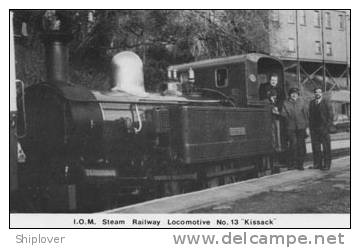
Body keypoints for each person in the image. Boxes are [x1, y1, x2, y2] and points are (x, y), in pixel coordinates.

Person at [280, 87, 309, 170]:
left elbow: (306, 114)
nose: (294, 95)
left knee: (301, 145)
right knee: (293, 144)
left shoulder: (302, 102)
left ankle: (300, 164)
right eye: (292, 93)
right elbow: (283, 114)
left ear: (298, 94)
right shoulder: (285, 103)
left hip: (301, 127)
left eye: (295, 93)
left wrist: (307, 127)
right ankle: (292, 164)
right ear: (289, 95)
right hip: (290, 127)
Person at [309, 87, 333, 170]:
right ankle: (317, 164)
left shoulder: (326, 102)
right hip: (314, 129)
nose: (317, 94)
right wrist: (310, 128)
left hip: (324, 128)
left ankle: (327, 165)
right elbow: (310, 116)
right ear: (314, 94)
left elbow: (330, 116)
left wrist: (327, 127)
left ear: (322, 93)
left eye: (319, 92)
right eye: (316, 92)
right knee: (316, 147)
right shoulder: (312, 103)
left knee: (326, 147)